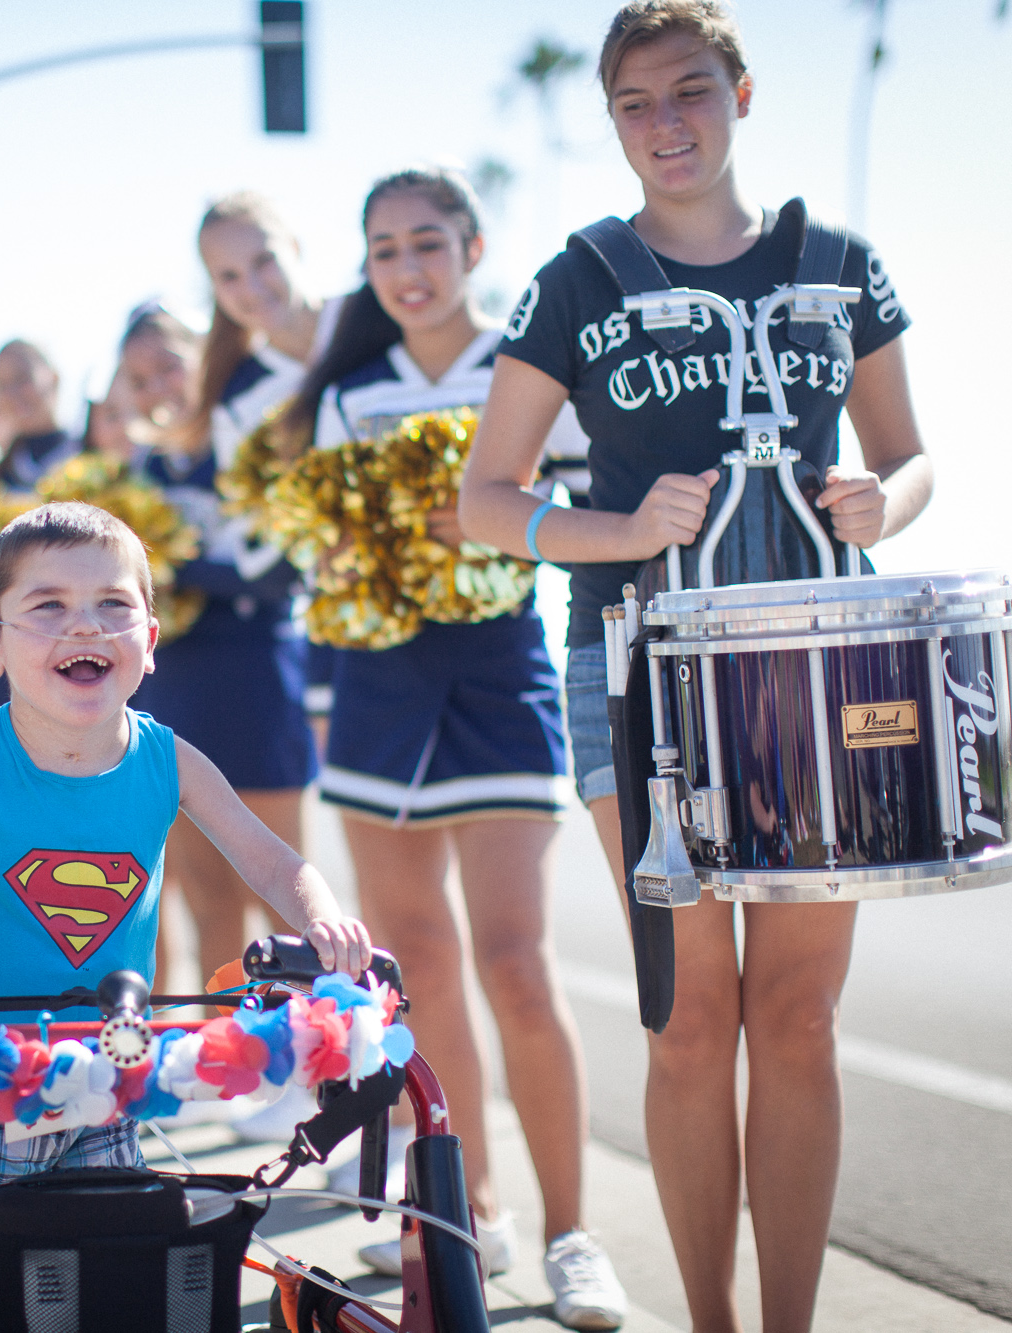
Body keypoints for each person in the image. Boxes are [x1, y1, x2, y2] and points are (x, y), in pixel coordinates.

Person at [458, 6, 931, 1330]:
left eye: (690, 92)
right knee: (688, 1019)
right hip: (636, 677)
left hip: (814, 677)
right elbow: (485, 499)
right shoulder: (578, 279)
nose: (665, 124)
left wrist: (884, 502)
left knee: (798, 1018)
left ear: (740, 93)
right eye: (635, 103)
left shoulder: (838, 263)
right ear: (613, 121)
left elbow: (908, 455)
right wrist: (617, 529)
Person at [0, 502, 373, 1333]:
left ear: (148, 641)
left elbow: (274, 861)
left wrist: (323, 920)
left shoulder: (167, 758)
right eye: (49, 605)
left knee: (106, 1282)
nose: (84, 624)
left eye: (112, 604)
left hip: (110, 1072)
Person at [278, 164, 623, 1325]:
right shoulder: (348, 393)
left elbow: (586, 517)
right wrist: (345, 552)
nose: (406, 269)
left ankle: (572, 1232)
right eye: (382, 251)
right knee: (414, 966)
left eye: (426, 242)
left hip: (496, 674)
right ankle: (466, 1210)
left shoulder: (528, 369)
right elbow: (318, 552)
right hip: (375, 684)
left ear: (472, 248)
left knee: (516, 959)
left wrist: (486, 521)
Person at [124, 305, 314, 995]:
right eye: (138, 379)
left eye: (169, 366)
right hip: (173, 683)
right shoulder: (139, 471)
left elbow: (288, 569)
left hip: (255, 674)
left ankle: (311, 1041)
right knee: (206, 895)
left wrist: (183, 570)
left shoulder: (247, 441)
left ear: (202, 357)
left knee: (283, 891)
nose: (157, 388)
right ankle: (226, 1042)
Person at [192, 192, 346, 729]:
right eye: (229, 276)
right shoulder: (238, 400)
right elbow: (254, 541)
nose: (252, 287)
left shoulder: (369, 318)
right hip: (341, 630)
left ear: (295, 247)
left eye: (264, 261)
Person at [0, 340, 78, 490]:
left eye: (21, 378)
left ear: (53, 378)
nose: (12, 393)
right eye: (2, 385)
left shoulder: (87, 455)